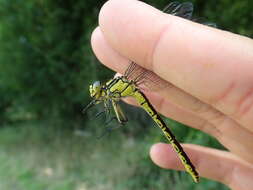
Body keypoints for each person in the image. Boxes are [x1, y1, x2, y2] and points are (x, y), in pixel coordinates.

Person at [90, 0, 253, 189]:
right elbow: (119, 116)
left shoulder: (113, 89)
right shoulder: (111, 93)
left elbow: (119, 115)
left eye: (98, 91)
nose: (98, 94)